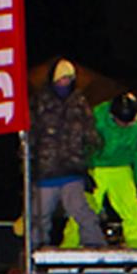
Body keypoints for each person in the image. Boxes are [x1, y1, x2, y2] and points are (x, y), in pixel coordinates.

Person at [27, 57, 106, 250]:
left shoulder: (79, 102)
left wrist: (92, 143)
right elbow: (31, 132)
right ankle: (36, 248)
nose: (66, 82)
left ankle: (95, 244)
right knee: (40, 214)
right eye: (62, 78)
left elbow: (90, 130)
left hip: (72, 168)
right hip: (46, 169)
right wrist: (28, 159)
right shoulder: (39, 102)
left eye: (69, 78)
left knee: (81, 210)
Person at [62, 91, 137, 249]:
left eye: (129, 122)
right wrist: (83, 170)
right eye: (121, 122)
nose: (125, 126)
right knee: (83, 208)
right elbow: (82, 145)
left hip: (122, 167)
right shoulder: (96, 119)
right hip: (96, 168)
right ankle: (70, 245)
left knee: (132, 208)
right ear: (112, 115)